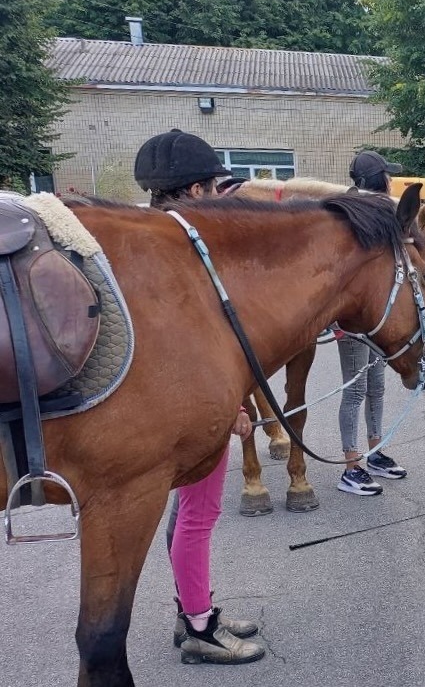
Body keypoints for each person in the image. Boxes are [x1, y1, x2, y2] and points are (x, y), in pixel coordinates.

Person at [134, 129, 265, 664]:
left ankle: (195, 609)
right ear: (193, 192)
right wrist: (228, 406)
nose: (218, 196)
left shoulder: (149, 241)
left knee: (192, 513)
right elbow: (190, 345)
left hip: (181, 402)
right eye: (214, 186)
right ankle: (198, 627)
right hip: (192, 407)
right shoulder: (185, 252)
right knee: (198, 514)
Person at [336, 150, 408, 496]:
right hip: (353, 320)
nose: (392, 180)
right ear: (379, 179)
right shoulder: (351, 215)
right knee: (355, 390)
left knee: (377, 386)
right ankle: (351, 467)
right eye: (388, 175)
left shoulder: (380, 211)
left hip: (377, 320)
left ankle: (375, 453)